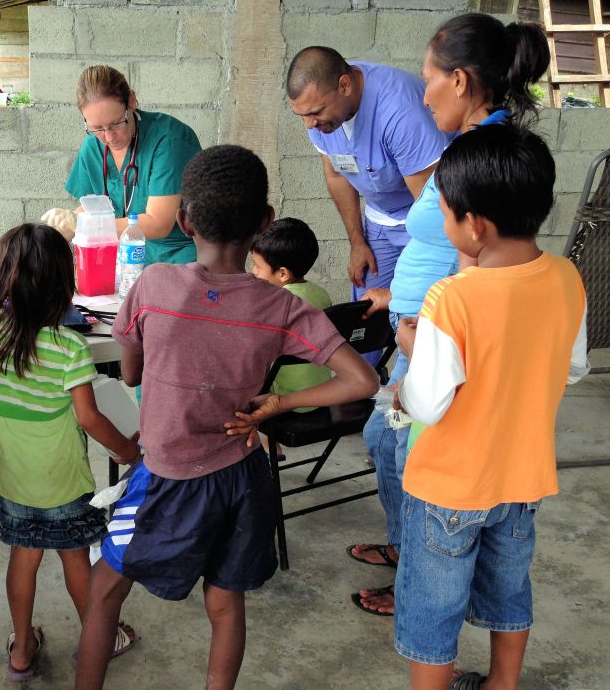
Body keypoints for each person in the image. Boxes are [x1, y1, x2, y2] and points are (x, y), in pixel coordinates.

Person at [73, 145, 380, 690]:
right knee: (225, 601)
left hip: (168, 476)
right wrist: (277, 405)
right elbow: (363, 380)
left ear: (185, 219)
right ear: (264, 224)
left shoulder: (153, 286)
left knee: (102, 594)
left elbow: (132, 375)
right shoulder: (282, 307)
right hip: (243, 476)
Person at [349, 14, 551, 617]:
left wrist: (427, 332)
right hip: (422, 328)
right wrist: (397, 301)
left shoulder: (481, 157)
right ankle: (409, 551)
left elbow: (476, 257)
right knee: (385, 444)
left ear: (459, 81)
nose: (422, 89)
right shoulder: (471, 146)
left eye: (428, 77)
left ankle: (422, 579)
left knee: (413, 461)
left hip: (440, 340)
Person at [392, 124, 589, 690]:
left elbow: (429, 401)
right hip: (522, 482)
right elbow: (573, 368)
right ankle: (503, 683)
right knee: (508, 589)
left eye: (445, 210)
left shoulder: (451, 298)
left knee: (433, 608)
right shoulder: (566, 277)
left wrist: (411, 351)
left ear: (473, 224)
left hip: (448, 489)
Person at [0, 223, 141, 681]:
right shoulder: (68, 347)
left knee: (23, 554)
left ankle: (22, 649)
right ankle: (98, 637)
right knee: (76, 558)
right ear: (64, 282)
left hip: (13, 473)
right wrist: (128, 452)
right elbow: (89, 418)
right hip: (62, 478)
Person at [286, 46, 447, 314]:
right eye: (301, 115)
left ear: (345, 86)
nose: (309, 125)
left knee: (418, 310)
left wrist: (407, 291)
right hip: (379, 219)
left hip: (423, 221)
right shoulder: (321, 118)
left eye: (315, 112)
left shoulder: (399, 111)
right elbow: (336, 174)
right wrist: (357, 243)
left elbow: (430, 204)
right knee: (364, 312)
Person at [41, 64, 202, 267]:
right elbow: (96, 204)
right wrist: (69, 219)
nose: (108, 137)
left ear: (132, 101)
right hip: (124, 262)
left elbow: (159, 223)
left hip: (176, 261)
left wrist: (84, 225)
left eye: (116, 123)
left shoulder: (169, 139)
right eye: (96, 128)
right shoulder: (92, 147)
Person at [250, 217, 333, 412]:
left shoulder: (278, 302)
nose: (253, 272)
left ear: (283, 274)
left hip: (289, 398)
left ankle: (270, 443)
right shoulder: (321, 295)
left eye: (257, 267)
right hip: (323, 394)